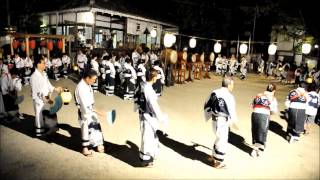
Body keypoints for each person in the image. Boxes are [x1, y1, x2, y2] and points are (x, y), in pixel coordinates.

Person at [133, 68, 168, 167]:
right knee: (147, 137)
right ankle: (145, 160)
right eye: (156, 76)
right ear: (153, 78)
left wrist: (137, 108)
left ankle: (147, 157)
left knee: (148, 136)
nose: (157, 78)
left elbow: (136, 97)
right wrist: (161, 117)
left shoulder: (142, 85)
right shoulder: (149, 90)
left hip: (142, 113)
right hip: (147, 115)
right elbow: (154, 106)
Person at [204, 76, 238, 169]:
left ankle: (214, 156)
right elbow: (232, 111)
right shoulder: (229, 96)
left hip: (215, 120)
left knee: (219, 138)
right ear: (229, 85)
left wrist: (208, 115)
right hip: (222, 121)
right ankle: (218, 162)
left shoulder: (214, 92)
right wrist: (234, 122)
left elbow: (207, 105)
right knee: (222, 141)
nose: (233, 86)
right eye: (232, 84)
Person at [75, 69, 105, 156]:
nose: (95, 81)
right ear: (88, 78)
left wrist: (95, 111)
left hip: (91, 110)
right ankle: (85, 148)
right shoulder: (81, 87)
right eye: (94, 79)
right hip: (84, 112)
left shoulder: (87, 84)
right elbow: (84, 105)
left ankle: (98, 144)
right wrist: (98, 111)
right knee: (86, 129)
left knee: (95, 127)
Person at [30, 56, 63, 137]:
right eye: (44, 63)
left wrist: (55, 88)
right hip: (39, 99)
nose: (45, 64)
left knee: (47, 113)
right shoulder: (34, 76)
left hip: (47, 97)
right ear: (38, 64)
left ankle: (48, 129)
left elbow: (48, 85)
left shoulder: (44, 74)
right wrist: (44, 98)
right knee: (39, 115)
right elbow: (36, 91)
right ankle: (39, 132)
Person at [250, 84, 278, 157]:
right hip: (264, 115)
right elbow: (274, 111)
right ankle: (255, 150)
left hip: (255, 114)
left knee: (255, 131)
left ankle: (259, 145)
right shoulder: (273, 98)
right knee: (262, 132)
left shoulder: (258, 95)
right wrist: (269, 113)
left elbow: (252, 105)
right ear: (274, 90)